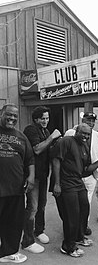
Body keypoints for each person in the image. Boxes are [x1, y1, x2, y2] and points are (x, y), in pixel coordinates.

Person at [52, 123, 98, 258]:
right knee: (72, 215)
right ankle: (68, 246)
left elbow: (86, 169)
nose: (85, 136)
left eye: (88, 134)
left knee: (84, 209)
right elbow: (56, 161)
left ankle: (79, 236)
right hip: (66, 182)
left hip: (78, 181)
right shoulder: (65, 141)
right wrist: (57, 183)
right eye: (83, 133)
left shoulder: (84, 146)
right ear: (76, 131)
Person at [21, 106, 61, 253]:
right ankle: (27, 241)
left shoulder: (45, 131)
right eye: (43, 118)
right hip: (33, 175)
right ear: (36, 119)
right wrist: (52, 138)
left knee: (42, 205)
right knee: (32, 207)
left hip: (43, 174)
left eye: (47, 118)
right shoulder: (31, 130)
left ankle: (39, 231)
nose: (45, 121)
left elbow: (48, 150)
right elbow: (37, 149)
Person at [0, 103, 35, 263]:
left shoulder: (21, 136)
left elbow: (30, 159)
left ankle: (8, 253)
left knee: (13, 223)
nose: (12, 118)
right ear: (1, 114)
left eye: (15, 116)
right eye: (9, 114)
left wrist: (31, 177)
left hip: (15, 189)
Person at [64, 112, 98, 235]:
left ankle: (83, 226)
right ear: (82, 120)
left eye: (92, 121)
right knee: (73, 206)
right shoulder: (70, 133)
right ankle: (72, 229)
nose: (90, 123)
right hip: (74, 176)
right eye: (88, 120)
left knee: (87, 203)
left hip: (90, 175)